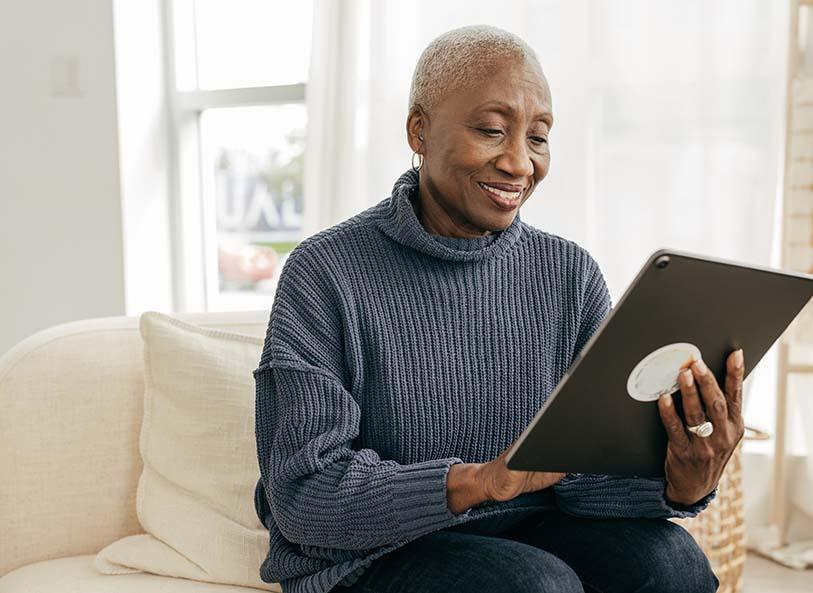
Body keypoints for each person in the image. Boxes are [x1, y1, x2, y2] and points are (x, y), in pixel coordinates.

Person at [253, 25, 744, 593]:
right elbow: (303, 497)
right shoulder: (326, 272)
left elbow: (583, 476)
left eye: (538, 138)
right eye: (491, 130)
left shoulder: (568, 274)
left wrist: (679, 483)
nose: (518, 163)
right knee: (533, 584)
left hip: (533, 525)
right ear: (420, 130)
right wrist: (480, 481)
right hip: (377, 550)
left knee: (671, 562)